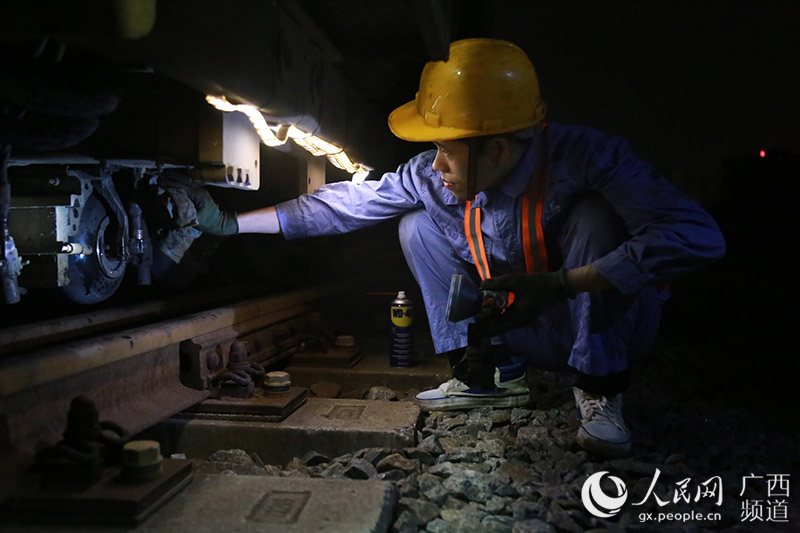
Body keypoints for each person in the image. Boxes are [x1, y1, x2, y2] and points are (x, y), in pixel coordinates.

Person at [183, 38, 726, 458]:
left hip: (610, 326)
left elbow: (698, 237)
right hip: (527, 327)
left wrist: (566, 283)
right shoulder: (435, 177)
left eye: (445, 150)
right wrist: (229, 223)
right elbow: (346, 204)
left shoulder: (587, 158)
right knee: (414, 224)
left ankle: (600, 393)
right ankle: (484, 376)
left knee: (593, 216)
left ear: (495, 148)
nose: (435, 165)